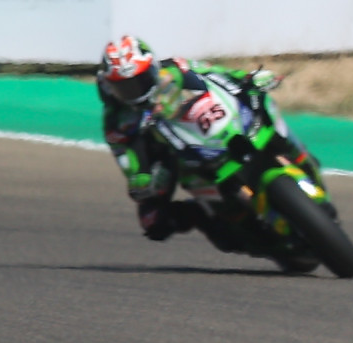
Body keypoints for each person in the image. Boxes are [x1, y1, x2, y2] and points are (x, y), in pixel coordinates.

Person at [97, 35, 320, 266]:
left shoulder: (175, 68)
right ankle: (209, 217)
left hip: (204, 127)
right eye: (123, 87)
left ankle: (301, 158)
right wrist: (140, 178)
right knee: (153, 222)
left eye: (139, 80)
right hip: (168, 158)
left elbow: (216, 74)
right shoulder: (117, 119)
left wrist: (247, 78)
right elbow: (125, 156)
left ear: (152, 67)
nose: (133, 91)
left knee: (263, 107)